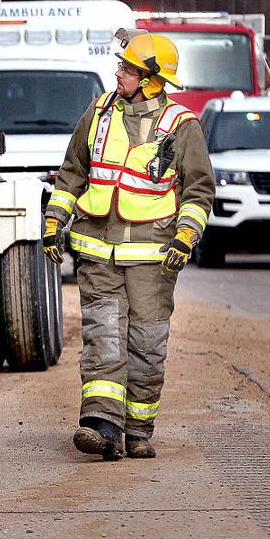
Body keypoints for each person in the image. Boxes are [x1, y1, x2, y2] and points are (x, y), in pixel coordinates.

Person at [42, 29, 215, 460]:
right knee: (103, 338)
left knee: (147, 344)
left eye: (128, 68)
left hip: (154, 258)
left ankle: (137, 430)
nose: (118, 72)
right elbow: (72, 173)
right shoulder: (98, 112)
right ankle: (101, 425)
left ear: (152, 79)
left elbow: (199, 190)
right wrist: (54, 220)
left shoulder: (181, 126)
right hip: (98, 250)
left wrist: (186, 236)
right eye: (121, 66)